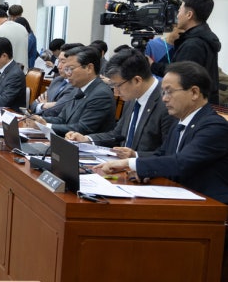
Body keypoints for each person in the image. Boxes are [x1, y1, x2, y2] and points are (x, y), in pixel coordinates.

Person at [96, 62, 228, 205]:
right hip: (179, 197)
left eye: (169, 92)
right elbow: (162, 154)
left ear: (194, 93)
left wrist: (130, 163)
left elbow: (182, 162)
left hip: (210, 205)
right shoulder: (180, 121)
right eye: (163, 92)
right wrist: (145, 171)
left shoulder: (214, 126)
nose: (164, 98)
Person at [66, 49, 175, 159]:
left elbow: (170, 154)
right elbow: (117, 134)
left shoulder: (168, 104)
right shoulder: (133, 96)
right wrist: (86, 139)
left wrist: (135, 156)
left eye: (117, 85)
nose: (115, 92)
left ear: (137, 80)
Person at [26, 46, 115, 136]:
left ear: (89, 68)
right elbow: (62, 119)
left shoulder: (101, 94)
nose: (67, 74)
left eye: (71, 69)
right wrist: (39, 120)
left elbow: (83, 128)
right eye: (66, 69)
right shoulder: (77, 88)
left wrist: (46, 125)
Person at [165, 0, 221, 104]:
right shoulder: (204, 37)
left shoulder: (193, 45)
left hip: (194, 106)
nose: (177, 15)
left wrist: (152, 65)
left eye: (179, 11)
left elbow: (178, 77)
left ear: (189, 15)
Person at [28, 43, 83, 117]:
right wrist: (44, 105)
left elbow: (56, 112)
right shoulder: (57, 80)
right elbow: (33, 104)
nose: (58, 66)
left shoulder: (76, 86)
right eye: (58, 61)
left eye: (63, 62)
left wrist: (43, 105)